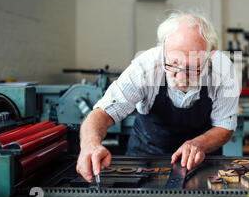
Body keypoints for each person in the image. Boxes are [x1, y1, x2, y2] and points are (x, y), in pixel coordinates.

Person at [76, 11, 240, 183]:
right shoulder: (145, 67)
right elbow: (103, 113)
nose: (182, 77)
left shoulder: (223, 70)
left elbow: (224, 126)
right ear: (162, 47)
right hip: (145, 158)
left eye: (193, 67)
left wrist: (199, 144)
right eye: (173, 64)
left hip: (202, 160)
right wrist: (90, 144)